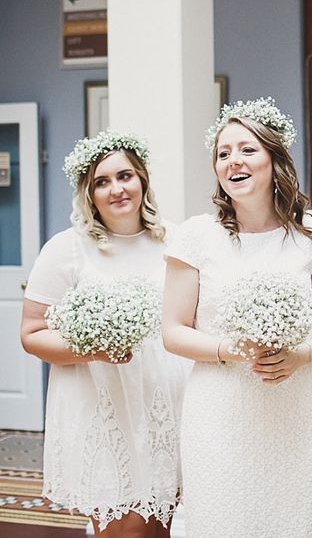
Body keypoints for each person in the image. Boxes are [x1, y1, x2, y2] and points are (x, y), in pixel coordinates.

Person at [162, 98, 312, 537]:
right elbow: (172, 331)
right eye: (223, 153)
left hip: (293, 405)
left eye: (247, 149)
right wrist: (229, 350)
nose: (233, 161)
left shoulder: (309, 235)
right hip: (218, 410)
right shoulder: (196, 236)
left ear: (274, 159)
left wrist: (299, 356)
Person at [20, 131, 187, 537]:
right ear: (88, 193)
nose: (116, 189)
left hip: (166, 407)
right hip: (104, 409)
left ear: (142, 180)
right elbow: (31, 333)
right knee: (124, 529)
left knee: (160, 527)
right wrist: (93, 349)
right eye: (102, 181)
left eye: (125, 176)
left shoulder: (176, 239)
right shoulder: (67, 249)